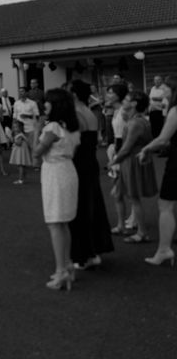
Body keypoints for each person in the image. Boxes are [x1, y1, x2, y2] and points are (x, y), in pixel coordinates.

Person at [33, 89, 81, 291]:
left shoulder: (52, 127)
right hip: (68, 170)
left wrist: (36, 130)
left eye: (48, 102)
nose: (45, 105)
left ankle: (61, 271)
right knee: (63, 223)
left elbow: (35, 153)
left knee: (55, 223)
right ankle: (67, 265)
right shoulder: (72, 126)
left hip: (55, 173)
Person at [68, 80, 114, 270]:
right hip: (90, 162)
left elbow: (73, 144)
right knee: (92, 204)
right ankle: (94, 250)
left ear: (75, 94)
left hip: (79, 164)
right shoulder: (90, 112)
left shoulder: (76, 113)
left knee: (80, 208)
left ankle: (84, 254)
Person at [137, 76, 177, 266]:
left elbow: (163, 139)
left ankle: (164, 250)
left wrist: (145, 149)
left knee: (165, 205)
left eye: (167, 88)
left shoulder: (175, 111)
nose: (164, 91)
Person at [108, 91, 157, 244]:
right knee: (118, 193)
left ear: (134, 103)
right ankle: (122, 225)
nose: (124, 100)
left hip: (132, 160)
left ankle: (142, 233)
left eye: (127, 99)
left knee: (134, 197)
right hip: (130, 160)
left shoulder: (136, 122)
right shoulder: (135, 119)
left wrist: (113, 161)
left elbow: (126, 147)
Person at [106, 83, 130, 234]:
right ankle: (122, 223)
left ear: (118, 95)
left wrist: (120, 152)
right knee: (118, 190)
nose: (108, 95)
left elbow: (129, 131)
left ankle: (127, 223)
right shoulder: (115, 111)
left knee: (120, 190)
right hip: (116, 148)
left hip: (124, 149)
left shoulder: (123, 111)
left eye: (111, 92)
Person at [13, 86, 40, 168]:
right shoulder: (16, 103)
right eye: (20, 91)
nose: (21, 93)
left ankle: (35, 164)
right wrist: (13, 128)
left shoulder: (32, 103)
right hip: (20, 129)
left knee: (32, 146)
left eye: (22, 91)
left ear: (26, 92)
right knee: (22, 147)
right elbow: (14, 116)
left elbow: (37, 115)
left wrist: (27, 115)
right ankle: (24, 163)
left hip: (30, 127)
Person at [9, 120, 31, 185]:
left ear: (20, 128)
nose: (15, 129)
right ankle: (23, 176)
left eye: (16, 127)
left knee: (20, 164)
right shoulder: (18, 134)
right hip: (19, 150)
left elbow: (19, 143)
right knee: (20, 165)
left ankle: (20, 179)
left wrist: (13, 140)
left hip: (20, 151)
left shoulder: (20, 135)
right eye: (14, 127)